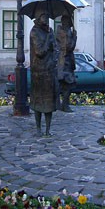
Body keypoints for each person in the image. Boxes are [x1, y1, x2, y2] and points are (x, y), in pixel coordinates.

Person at [29, 8, 59, 137]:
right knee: (38, 102)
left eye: (47, 17)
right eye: (44, 17)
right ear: (38, 18)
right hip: (38, 72)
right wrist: (48, 38)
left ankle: (48, 129)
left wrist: (55, 58)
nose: (46, 19)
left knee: (49, 103)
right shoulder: (34, 32)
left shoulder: (50, 32)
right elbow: (40, 52)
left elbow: (56, 49)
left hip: (49, 70)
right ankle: (38, 128)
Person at [56, 14, 77, 112]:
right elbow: (69, 47)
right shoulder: (63, 32)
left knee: (65, 85)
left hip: (66, 61)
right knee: (66, 84)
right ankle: (62, 104)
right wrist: (74, 38)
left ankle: (63, 104)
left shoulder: (67, 31)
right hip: (64, 61)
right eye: (68, 21)